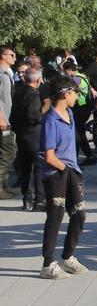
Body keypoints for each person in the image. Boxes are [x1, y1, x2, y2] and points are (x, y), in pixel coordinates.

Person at [38, 76, 88, 279]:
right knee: (56, 216)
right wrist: (65, 170)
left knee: (79, 215)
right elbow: (49, 156)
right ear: (66, 94)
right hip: (56, 173)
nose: (77, 97)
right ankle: (48, 264)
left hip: (71, 171)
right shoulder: (50, 120)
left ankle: (67, 257)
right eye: (76, 93)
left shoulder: (70, 113)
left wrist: (73, 171)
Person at [12, 66, 47, 210]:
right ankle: (39, 200)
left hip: (21, 135)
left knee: (25, 169)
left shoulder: (18, 93)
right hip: (33, 135)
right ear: (38, 80)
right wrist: (45, 108)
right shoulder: (33, 94)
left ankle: (26, 199)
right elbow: (33, 116)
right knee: (38, 168)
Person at [0, 45, 18, 199]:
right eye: (11, 55)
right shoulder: (0, 74)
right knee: (8, 152)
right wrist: (1, 119)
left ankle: (4, 186)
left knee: (6, 152)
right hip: (2, 120)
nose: (14, 57)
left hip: (7, 118)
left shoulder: (7, 73)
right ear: (3, 56)